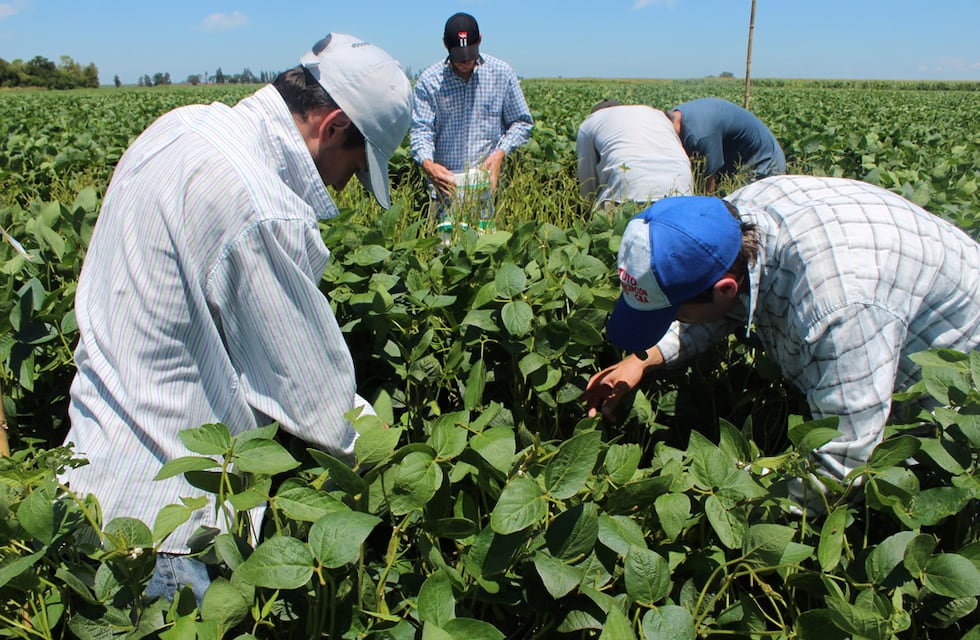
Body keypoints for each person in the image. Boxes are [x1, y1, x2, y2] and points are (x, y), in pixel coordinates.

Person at [61, 33, 413, 604]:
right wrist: (395, 458)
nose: (344, 185)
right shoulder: (258, 205)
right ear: (335, 125)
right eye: (355, 164)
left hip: (86, 489)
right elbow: (313, 398)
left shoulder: (180, 126)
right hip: (170, 535)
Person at [583, 175, 980, 506]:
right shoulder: (730, 219)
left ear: (724, 288)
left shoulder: (838, 308)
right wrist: (644, 359)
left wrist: (736, 510)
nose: (671, 322)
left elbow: (842, 466)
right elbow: (721, 302)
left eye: (672, 314)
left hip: (958, 376)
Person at [410, 12, 533, 225]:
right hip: (446, 189)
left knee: (487, 249)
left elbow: (521, 122)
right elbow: (422, 130)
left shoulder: (501, 74)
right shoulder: (429, 81)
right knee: (446, 251)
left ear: (480, 40)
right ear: (445, 45)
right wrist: (428, 163)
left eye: (470, 53)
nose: (465, 61)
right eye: (458, 55)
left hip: (488, 188)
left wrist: (501, 153)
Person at [576, 99, 694, 210]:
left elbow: (587, 176)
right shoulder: (657, 115)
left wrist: (589, 209)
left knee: (618, 230)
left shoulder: (590, 122)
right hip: (681, 184)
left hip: (629, 189)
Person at [668, 97, 786, 194]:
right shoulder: (675, 115)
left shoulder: (701, 135)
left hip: (764, 160)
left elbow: (709, 184)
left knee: (747, 213)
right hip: (738, 159)